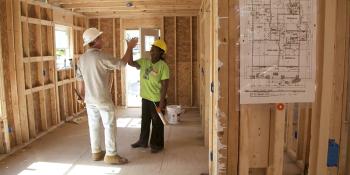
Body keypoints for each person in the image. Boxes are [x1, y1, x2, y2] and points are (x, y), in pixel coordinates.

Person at [76, 28, 138, 164]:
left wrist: (81, 96)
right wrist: (129, 47)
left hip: (89, 99)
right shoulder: (101, 56)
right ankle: (111, 155)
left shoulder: (81, 59)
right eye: (100, 38)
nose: (102, 40)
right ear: (95, 41)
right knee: (109, 125)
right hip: (102, 98)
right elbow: (121, 64)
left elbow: (80, 81)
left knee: (93, 125)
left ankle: (96, 152)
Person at [128, 39, 169, 153]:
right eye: (151, 49)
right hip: (145, 98)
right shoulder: (144, 62)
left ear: (161, 53)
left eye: (154, 50)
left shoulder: (163, 66)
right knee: (145, 120)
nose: (151, 52)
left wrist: (162, 102)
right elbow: (130, 63)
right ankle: (143, 141)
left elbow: (166, 85)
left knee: (157, 123)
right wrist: (130, 48)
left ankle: (157, 145)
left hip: (156, 99)